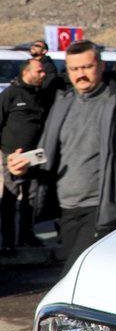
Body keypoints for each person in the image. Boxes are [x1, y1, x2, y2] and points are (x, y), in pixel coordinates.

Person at [7, 40, 116, 271]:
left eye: (87, 67)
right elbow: (46, 152)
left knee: (72, 276)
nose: (80, 74)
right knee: (79, 280)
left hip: (100, 211)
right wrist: (24, 165)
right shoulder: (64, 102)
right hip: (65, 211)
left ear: (101, 66)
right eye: (74, 69)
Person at [0, 59, 51, 251]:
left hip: (35, 155)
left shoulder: (40, 94)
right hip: (12, 156)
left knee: (31, 197)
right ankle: (8, 242)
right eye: (39, 71)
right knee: (11, 196)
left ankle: (26, 236)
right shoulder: (10, 94)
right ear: (26, 72)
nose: (43, 74)